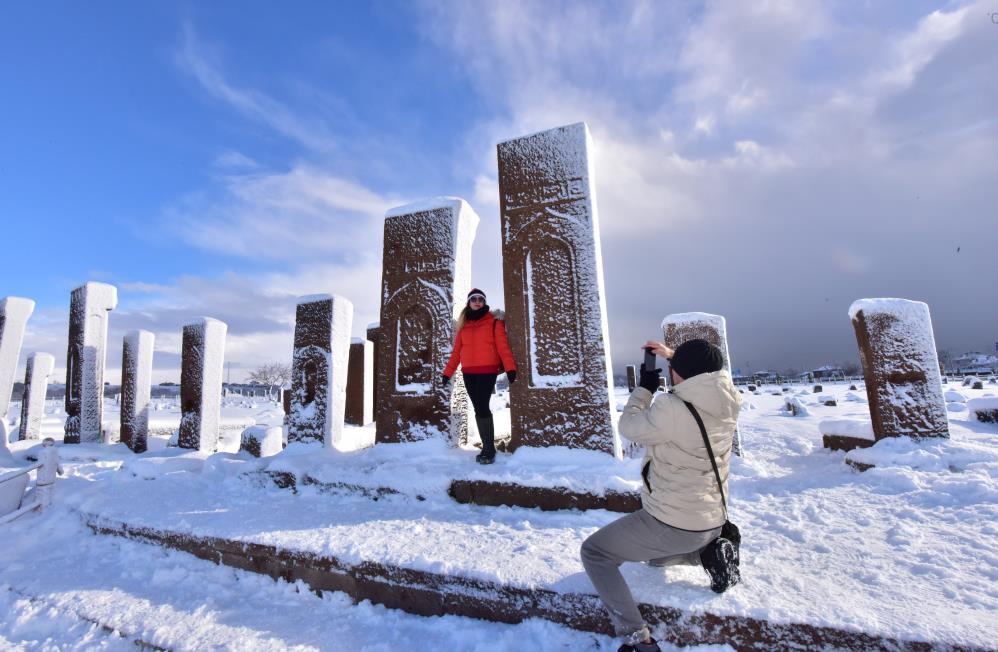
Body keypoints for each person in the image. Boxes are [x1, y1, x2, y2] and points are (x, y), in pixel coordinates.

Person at [581, 339, 741, 652]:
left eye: (674, 367)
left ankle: (637, 638)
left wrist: (644, 389)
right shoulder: (729, 398)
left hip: (673, 523)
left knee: (595, 553)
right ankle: (707, 553)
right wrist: (676, 357)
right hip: (710, 520)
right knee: (653, 558)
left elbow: (628, 426)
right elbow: (703, 376)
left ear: (681, 373)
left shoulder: (672, 407)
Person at [441, 288, 517, 464]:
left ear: (484, 302)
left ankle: (489, 449)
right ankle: (487, 446)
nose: (477, 301)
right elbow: (456, 353)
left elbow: (502, 346)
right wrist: (447, 373)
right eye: (473, 299)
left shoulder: (494, 321)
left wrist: (510, 368)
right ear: (469, 302)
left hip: (487, 371)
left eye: (480, 299)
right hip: (468, 373)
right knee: (478, 408)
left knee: (482, 406)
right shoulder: (463, 326)